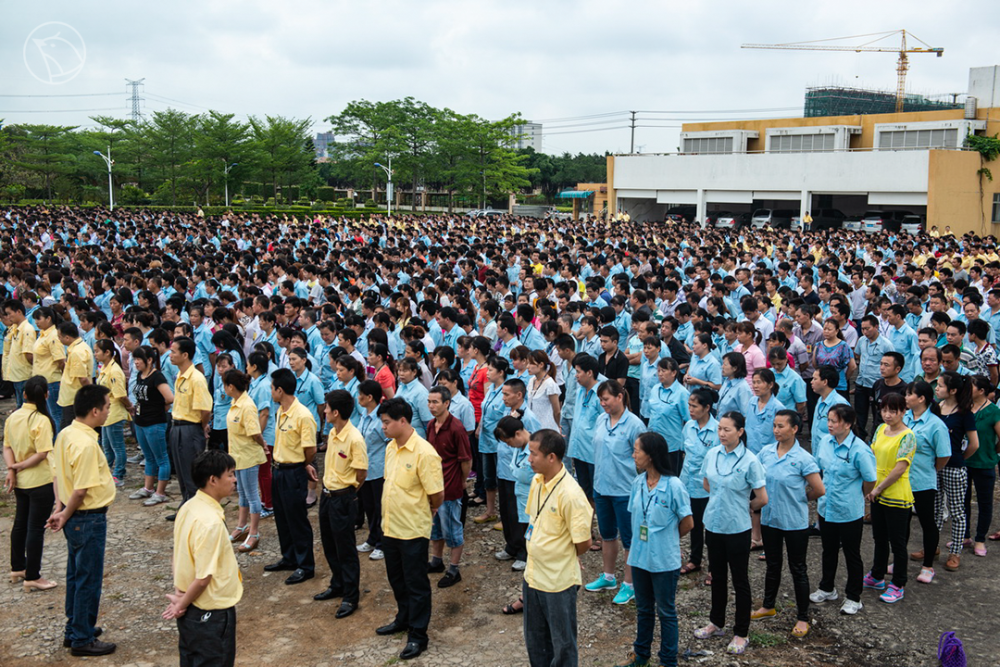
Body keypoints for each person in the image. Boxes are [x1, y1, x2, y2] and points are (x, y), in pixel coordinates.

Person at [48, 384, 117, 656]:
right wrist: (64, 512)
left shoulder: (66, 433)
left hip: (74, 516)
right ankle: (82, 638)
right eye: (108, 407)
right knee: (88, 578)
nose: (109, 411)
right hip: (87, 517)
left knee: (76, 575)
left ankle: (75, 627)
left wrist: (59, 507)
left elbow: (58, 474)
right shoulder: (86, 444)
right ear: (95, 410)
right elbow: (80, 489)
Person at [375, 397, 444, 661]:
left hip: (413, 529)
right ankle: (403, 618)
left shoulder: (424, 452)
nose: (383, 427)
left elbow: (436, 494)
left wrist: (428, 509)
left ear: (402, 421)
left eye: (386, 422)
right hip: (391, 526)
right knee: (396, 578)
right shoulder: (392, 447)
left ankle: (418, 634)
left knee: (416, 583)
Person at [694, 412, 767, 657]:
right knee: (717, 576)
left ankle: (741, 632)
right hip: (713, 525)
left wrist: (744, 507)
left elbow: (762, 497)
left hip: (737, 528)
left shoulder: (750, 460)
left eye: (727, 430)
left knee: (740, 580)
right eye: (720, 429)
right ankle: (716, 622)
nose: (722, 434)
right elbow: (707, 483)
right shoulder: (712, 454)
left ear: (740, 431)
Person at [617, 432, 693, 667]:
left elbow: (687, 523)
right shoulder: (638, 483)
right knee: (644, 610)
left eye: (637, 450)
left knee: (666, 612)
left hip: (664, 560)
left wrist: (666, 538)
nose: (633, 454)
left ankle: (668, 660)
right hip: (640, 558)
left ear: (650, 456)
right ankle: (641, 656)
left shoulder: (674, 486)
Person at [162, 449, 242, 667]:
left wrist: (180, 594)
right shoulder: (211, 523)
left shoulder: (188, 507)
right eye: (230, 474)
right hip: (211, 611)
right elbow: (204, 577)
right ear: (213, 480)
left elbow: (177, 554)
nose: (235, 479)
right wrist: (181, 605)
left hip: (190, 608)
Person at [522, 429, 593, 667]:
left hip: (557, 581)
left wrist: (561, 556)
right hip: (532, 575)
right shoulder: (537, 481)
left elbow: (583, 542)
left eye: (533, 454)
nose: (529, 459)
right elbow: (534, 520)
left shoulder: (572, 494)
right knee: (536, 640)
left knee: (562, 645)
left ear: (551, 457)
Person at [751, 411, 824, 638]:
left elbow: (819, 489)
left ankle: (803, 617)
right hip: (771, 519)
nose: (776, 430)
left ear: (794, 429)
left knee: (798, 568)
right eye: (774, 425)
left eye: (781, 426)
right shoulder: (766, 453)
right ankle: (768, 605)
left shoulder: (803, 458)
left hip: (794, 522)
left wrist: (800, 499)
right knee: (773, 564)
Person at [811, 404, 877, 615]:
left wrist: (858, 495)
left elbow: (869, 479)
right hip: (826, 507)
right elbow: (820, 469)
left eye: (835, 421)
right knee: (828, 549)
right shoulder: (825, 442)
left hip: (848, 509)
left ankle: (853, 597)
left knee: (851, 554)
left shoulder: (859, 449)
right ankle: (827, 587)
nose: (830, 425)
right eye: (828, 420)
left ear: (848, 424)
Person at [585, 379, 645, 605]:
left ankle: (630, 584)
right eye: (600, 400)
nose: (603, 404)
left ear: (620, 397)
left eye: (606, 399)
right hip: (601, 486)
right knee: (607, 534)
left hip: (624, 490)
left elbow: (642, 460)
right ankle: (608, 576)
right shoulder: (602, 419)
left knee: (630, 539)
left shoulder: (634, 424)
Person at [314, 389, 368, 617]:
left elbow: (361, 473)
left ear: (336, 412)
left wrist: (347, 494)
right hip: (327, 496)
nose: (324, 411)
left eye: (326, 408)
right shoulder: (333, 433)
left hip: (342, 498)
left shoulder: (354, 438)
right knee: (329, 544)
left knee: (345, 548)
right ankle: (337, 584)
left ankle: (350, 595)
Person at [264, 368, 318, 584]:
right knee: (282, 517)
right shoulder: (280, 410)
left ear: (280, 390)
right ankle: (289, 557)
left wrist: (302, 465)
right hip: (278, 469)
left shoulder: (303, 415)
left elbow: (310, 449)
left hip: (293, 471)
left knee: (297, 519)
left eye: (272, 388)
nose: (271, 392)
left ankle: (305, 565)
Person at [4, 375, 57, 591]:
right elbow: (43, 453)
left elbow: (7, 447)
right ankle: (33, 575)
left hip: (21, 482)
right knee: (35, 528)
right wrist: (19, 466)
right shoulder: (42, 420)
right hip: (39, 480)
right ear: (46, 395)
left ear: (24, 394)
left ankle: (18, 566)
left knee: (20, 524)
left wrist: (12, 468)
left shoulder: (13, 417)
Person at [864, 393, 917, 604]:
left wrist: (878, 489)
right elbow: (872, 454)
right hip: (876, 491)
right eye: (884, 410)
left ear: (903, 411)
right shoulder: (879, 429)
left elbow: (900, 468)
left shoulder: (908, 436)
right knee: (879, 538)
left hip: (895, 494)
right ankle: (877, 575)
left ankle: (898, 583)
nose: (887, 415)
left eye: (893, 411)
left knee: (898, 542)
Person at [902, 380, 950, 584]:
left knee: (927, 522)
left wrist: (931, 470)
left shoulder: (936, 425)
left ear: (921, 398)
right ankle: (899, 561)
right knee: (901, 523)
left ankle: (928, 566)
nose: (905, 397)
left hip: (922, 480)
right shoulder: (904, 418)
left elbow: (944, 456)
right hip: (901, 480)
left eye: (909, 394)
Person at [426, 386, 473, 588]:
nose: (431, 406)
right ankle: (436, 560)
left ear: (447, 403)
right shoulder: (430, 425)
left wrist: (461, 482)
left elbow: (465, 460)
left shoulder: (456, 428)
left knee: (453, 530)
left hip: (450, 487)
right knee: (435, 528)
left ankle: (454, 569)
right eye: (429, 401)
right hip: (433, 486)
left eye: (435, 402)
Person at [934, 372, 979, 571]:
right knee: (934, 510)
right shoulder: (936, 408)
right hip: (934, 467)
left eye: (941, 386)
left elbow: (974, 444)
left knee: (957, 511)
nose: (937, 389)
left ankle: (955, 552)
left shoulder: (964, 413)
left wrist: (960, 459)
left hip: (954, 468)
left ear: (952, 390)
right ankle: (932, 546)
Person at [494, 415, 538, 615]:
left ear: (519, 433)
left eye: (510, 440)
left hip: (534, 504)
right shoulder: (519, 448)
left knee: (536, 552)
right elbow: (516, 471)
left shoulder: (536, 449)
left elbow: (525, 474)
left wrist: (518, 472)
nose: (509, 445)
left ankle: (531, 596)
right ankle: (528, 594)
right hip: (522, 499)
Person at [166, 337, 213, 521]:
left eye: (174, 351)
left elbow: (205, 409)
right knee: (181, 470)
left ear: (185, 355)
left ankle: (196, 513)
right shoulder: (180, 375)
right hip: (177, 426)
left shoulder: (196, 378)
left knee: (192, 472)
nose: (170, 355)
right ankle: (185, 505)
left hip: (190, 428)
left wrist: (201, 427)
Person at [224, 370, 266, 554]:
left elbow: (255, 432)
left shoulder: (247, 406)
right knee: (241, 492)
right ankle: (242, 526)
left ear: (231, 387)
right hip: (237, 455)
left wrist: (263, 444)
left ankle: (254, 532)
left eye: (225, 385)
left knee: (251, 494)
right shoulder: (235, 403)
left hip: (248, 456)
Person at [679, 388, 719, 579]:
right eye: (689, 406)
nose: (691, 410)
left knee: (710, 527)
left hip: (708, 487)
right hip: (689, 483)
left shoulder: (718, 430)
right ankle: (695, 559)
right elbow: (684, 453)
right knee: (693, 525)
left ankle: (714, 567)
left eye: (694, 406)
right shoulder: (688, 426)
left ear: (707, 408)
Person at [128, 347, 173, 506]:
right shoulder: (141, 375)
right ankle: (148, 488)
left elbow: (169, 397)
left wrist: (159, 406)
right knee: (149, 456)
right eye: (134, 359)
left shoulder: (157, 377)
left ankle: (160, 492)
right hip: (140, 421)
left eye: (139, 359)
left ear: (149, 360)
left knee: (161, 458)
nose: (136, 362)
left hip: (154, 422)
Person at [473, 356, 510, 526]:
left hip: (499, 443)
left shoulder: (506, 392)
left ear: (501, 372)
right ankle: (490, 511)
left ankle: (506, 515)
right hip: (486, 441)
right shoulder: (490, 390)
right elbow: (485, 410)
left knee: (502, 478)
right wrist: (480, 427)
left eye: (491, 370)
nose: (487, 373)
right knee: (489, 478)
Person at [356, 380, 388, 561]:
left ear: (370, 397)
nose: (358, 397)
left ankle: (382, 544)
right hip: (366, 469)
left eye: (361, 394)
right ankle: (372, 538)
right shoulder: (363, 414)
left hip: (379, 470)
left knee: (380, 508)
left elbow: (390, 442)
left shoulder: (381, 418)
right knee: (369, 506)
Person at [967, 375, 1000, 553]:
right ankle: (965, 536)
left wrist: (993, 450)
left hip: (984, 462)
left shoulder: (993, 411)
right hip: (965, 461)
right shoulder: (964, 407)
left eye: (971, 386)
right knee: (962, 502)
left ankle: (980, 539)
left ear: (981, 391)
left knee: (984, 502)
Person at [94, 339, 131, 486]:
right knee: (107, 446)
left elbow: (120, 395)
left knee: (117, 446)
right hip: (105, 414)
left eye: (97, 351)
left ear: (107, 352)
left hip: (114, 413)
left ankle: (119, 474)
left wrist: (129, 407)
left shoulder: (114, 370)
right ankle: (106, 471)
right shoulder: (104, 368)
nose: (95, 354)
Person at [646, 358, 690, 474]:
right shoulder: (655, 389)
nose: (660, 374)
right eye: (659, 370)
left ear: (674, 372)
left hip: (671, 445)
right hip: (654, 443)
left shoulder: (681, 393)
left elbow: (689, 419)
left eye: (663, 370)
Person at [56, 322, 95, 433]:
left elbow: (82, 378)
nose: (59, 339)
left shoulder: (77, 352)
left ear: (67, 337)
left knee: (71, 431)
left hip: (73, 398)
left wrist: (92, 395)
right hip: (70, 397)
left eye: (60, 337)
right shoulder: (78, 347)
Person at [31, 307, 65, 429]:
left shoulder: (53, 335)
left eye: (39, 319)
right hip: (43, 381)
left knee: (55, 414)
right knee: (48, 414)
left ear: (48, 318)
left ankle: (58, 442)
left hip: (52, 380)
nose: (36, 322)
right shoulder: (42, 335)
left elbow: (61, 360)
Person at [4, 299, 37, 408]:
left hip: (24, 375)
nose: (8, 317)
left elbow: (29, 354)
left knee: (25, 407)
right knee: (20, 406)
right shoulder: (15, 328)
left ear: (19, 312)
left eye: (10, 313)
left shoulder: (27, 329)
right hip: (16, 375)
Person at [811, 319, 856, 398]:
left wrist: (845, 378)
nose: (826, 331)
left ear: (836, 331)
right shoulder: (819, 345)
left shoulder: (843, 346)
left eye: (829, 329)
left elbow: (852, 366)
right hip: (822, 384)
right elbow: (815, 364)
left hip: (839, 384)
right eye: (825, 329)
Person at [526, 349, 561, 432]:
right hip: (532, 427)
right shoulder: (531, 380)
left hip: (546, 428)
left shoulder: (550, 384)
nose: (527, 367)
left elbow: (557, 411)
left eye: (531, 363)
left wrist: (558, 425)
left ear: (541, 364)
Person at [717, 352, 751, 417]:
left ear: (735, 368)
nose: (722, 367)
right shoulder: (726, 382)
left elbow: (746, 414)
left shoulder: (743, 388)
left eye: (725, 364)